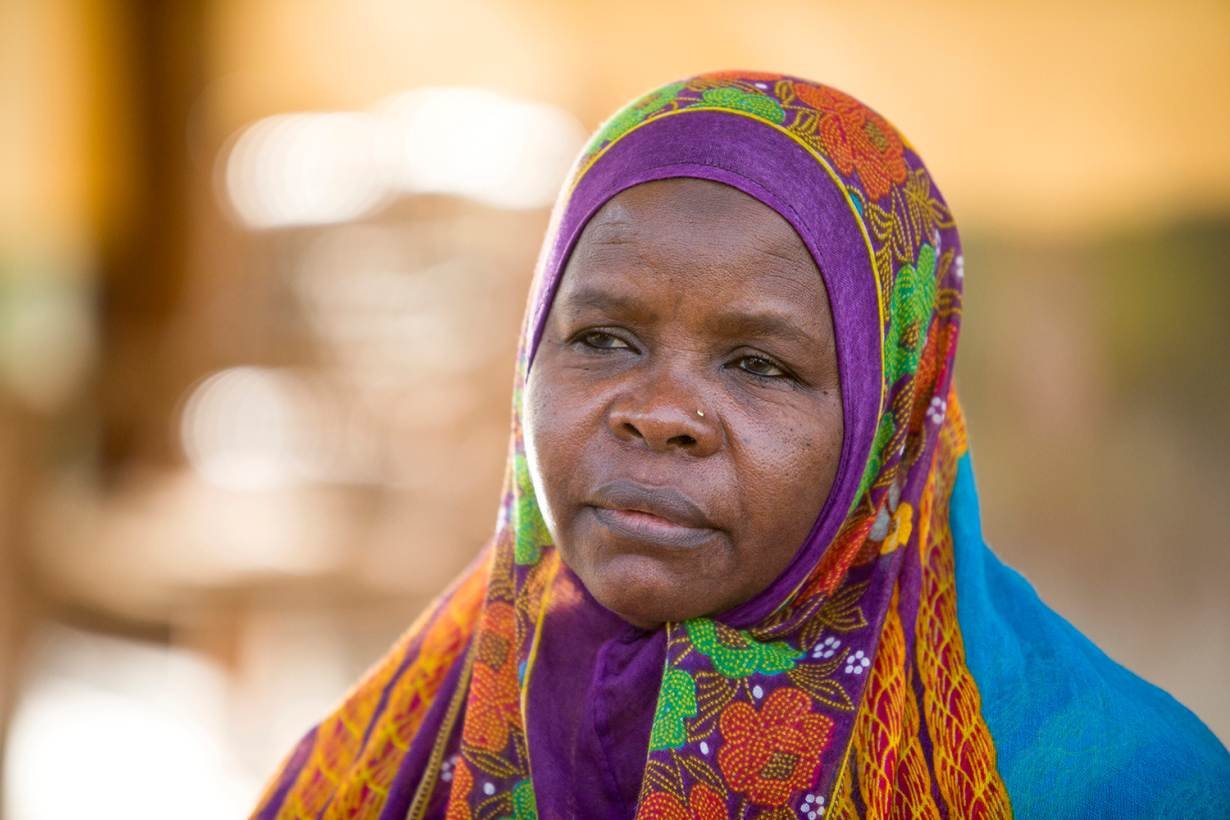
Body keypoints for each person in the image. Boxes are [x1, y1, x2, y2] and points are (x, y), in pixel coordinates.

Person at [251, 70, 1229, 819]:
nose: (659, 412)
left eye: (760, 364)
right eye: (602, 339)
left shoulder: (1111, 783)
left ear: (887, 426)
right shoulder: (388, 759)